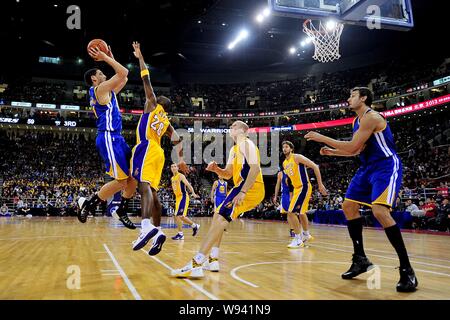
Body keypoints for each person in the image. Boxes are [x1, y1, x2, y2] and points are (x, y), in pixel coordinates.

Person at [305, 87, 417, 292]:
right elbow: (355, 150)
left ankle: (407, 269)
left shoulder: (371, 117)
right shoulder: (356, 121)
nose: (348, 99)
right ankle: (360, 259)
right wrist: (333, 153)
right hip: (367, 167)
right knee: (348, 206)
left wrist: (323, 138)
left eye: (352, 96)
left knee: (380, 211)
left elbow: (350, 146)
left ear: (364, 98)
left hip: (385, 166)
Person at [171, 121, 265, 278]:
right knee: (217, 217)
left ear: (242, 130)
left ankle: (196, 263)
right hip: (242, 186)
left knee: (220, 219)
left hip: (250, 186)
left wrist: (242, 191)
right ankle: (212, 258)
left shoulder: (246, 143)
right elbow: (228, 174)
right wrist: (216, 169)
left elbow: (255, 168)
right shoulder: (234, 149)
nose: (230, 128)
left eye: (234, 126)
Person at [124, 42, 188, 256]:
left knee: (142, 186)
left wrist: (140, 56)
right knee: (153, 193)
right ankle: (158, 232)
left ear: (157, 101)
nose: (148, 98)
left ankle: (145, 227)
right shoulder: (166, 121)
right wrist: (180, 160)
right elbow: (178, 139)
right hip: (159, 153)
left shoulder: (152, 104)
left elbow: (145, 78)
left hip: (147, 147)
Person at [78, 44, 136, 229]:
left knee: (133, 176)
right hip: (109, 138)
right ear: (95, 79)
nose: (104, 74)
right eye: (101, 73)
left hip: (117, 138)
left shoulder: (107, 92)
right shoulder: (100, 90)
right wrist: (106, 57)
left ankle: (121, 208)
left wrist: (110, 55)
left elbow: (124, 77)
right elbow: (123, 71)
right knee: (121, 181)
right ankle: (91, 203)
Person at [279, 141, 327, 248]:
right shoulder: (284, 164)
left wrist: (320, 184)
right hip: (296, 189)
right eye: (283, 147)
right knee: (301, 213)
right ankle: (306, 234)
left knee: (291, 213)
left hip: (304, 187)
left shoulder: (297, 157)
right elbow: (290, 179)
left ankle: (298, 239)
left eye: (286, 147)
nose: (284, 149)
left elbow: (315, 166)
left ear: (291, 149)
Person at [170, 163, 201, 240]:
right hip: (177, 198)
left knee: (181, 216)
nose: (173, 168)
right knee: (176, 216)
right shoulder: (172, 178)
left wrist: (193, 193)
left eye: (175, 166)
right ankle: (181, 234)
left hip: (183, 197)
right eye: (172, 167)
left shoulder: (181, 176)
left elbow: (188, 185)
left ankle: (195, 225)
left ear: (177, 168)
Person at [273, 167, 295, 237]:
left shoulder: (293, 172)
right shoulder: (280, 174)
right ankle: (292, 229)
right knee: (289, 212)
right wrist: (275, 196)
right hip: (285, 194)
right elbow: (277, 185)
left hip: (294, 193)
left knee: (295, 213)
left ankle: (296, 229)